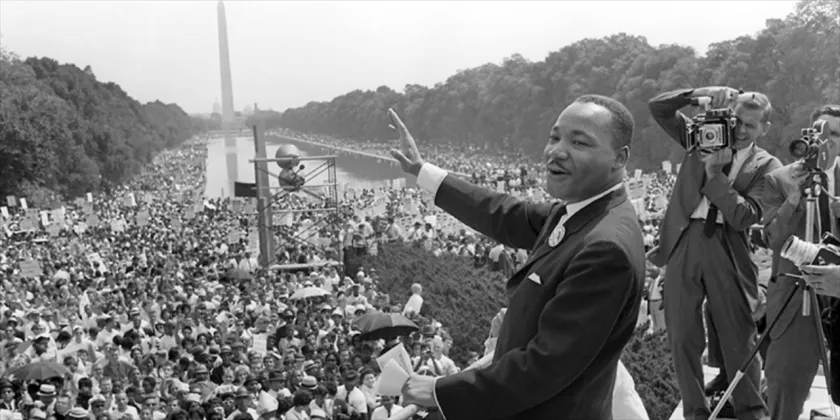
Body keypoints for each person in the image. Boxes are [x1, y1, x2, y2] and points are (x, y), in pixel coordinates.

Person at [390, 93, 645, 420]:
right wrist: (422, 171)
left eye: (579, 143)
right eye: (555, 137)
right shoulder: (581, 211)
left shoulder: (605, 247)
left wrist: (440, 391)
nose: (557, 151)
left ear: (619, 158)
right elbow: (502, 213)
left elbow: (546, 364)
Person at [647, 86, 780, 420]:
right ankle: (695, 410)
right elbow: (659, 108)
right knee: (682, 335)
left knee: (740, 336)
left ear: (764, 128)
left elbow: (745, 216)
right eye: (736, 120)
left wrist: (714, 175)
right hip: (685, 238)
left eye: (750, 125)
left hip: (728, 245)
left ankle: (750, 410)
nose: (740, 129)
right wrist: (697, 93)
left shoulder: (768, 166)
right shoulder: (701, 136)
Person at [761, 104, 840, 419]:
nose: (828, 141)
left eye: (836, 134)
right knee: (786, 388)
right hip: (795, 299)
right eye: (823, 132)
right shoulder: (779, 179)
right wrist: (793, 199)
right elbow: (772, 239)